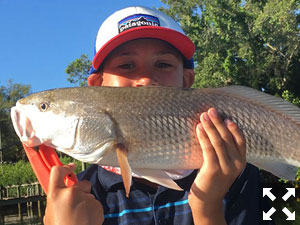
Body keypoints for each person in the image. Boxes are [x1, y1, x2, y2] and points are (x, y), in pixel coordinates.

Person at [44, 6, 273, 225]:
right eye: (127, 65)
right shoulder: (79, 194)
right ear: (97, 86)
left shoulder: (242, 171)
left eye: (163, 64)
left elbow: (288, 213)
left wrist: (207, 206)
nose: (145, 79)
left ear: (186, 81)